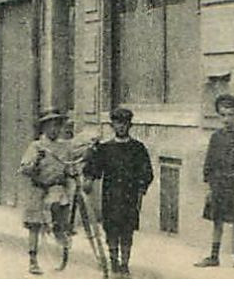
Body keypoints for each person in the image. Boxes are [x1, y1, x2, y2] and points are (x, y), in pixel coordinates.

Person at [82, 107, 154, 276]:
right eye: (117, 123)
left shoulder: (138, 148)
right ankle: (114, 261)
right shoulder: (105, 148)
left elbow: (147, 172)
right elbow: (94, 169)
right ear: (112, 125)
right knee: (111, 228)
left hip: (130, 195)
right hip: (111, 195)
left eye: (124, 123)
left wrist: (142, 189)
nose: (121, 127)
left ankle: (125, 263)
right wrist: (89, 177)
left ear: (130, 125)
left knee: (127, 230)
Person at [196, 93, 234, 269]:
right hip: (218, 184)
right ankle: (214, 256)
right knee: (217, 220)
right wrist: (209, 187)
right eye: (222, 115)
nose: (226, 119)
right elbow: (209, 162)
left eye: (230, 115)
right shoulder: (215, 137)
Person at [19, 109, 78, 274]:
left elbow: (70, 166)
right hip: (39, 187)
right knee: (34, 223)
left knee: (61, 204)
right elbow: (24, 169)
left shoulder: (65, 146)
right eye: (50, 126)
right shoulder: (36, 146)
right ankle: (33, 260)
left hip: (56, 187)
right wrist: (36, 162)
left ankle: (60, 230)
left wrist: (71, 172)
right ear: (44, 128)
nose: (54, 130)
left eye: (57, 126)